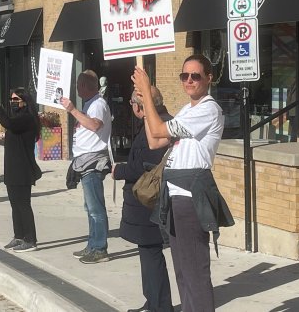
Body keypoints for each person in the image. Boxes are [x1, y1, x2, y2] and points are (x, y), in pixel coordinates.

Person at [131, 54, 233, 312]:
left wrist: (146, 91)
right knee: (183, 272)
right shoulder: (188, 110)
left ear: (209, 78)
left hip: (191, 195)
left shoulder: (209, 108)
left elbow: (158, 132)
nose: (189, 80)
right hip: (175, 193)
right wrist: (145, 106)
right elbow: (155, 142)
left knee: (195, 272)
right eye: (184, 75)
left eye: (195, 76)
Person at [111, 86, 174, 312]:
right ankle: (153, 301)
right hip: (146, 203)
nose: (133, 109)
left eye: (133, 104)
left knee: (151, 255)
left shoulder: (159, 125)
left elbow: (144, 165)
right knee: (147, 255)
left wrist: (119, 171)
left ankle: (161, 306)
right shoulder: (158, 122)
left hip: (150, 202)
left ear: (140, 106)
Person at [60, 70, 112, 264]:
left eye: (78, 86)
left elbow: (95, 125)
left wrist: (73, 110)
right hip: (84, 161)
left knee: (96, 208)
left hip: (93, 162)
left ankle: (100, 248)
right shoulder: (91, 103)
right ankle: (92, 244)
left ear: (83, 86)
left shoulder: (98, 104)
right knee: (90, 208)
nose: (76, 89)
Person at [0, 88, 42, 253]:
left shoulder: (27, 118)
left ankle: (30, 239)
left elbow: (7, 123)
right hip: (12, 168)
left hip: (22, 169)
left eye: (16, 100)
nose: (13, 103)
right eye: (11, 100)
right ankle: (19, 235)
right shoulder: (18, 117)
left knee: (23, 204)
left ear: (25, 101)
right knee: (14, 204)